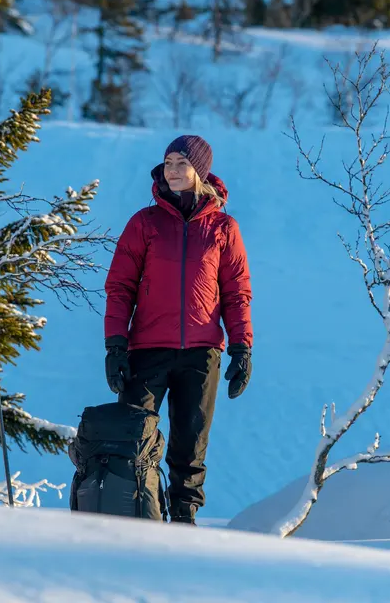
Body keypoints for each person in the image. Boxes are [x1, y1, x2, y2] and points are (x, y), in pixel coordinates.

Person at [103, 135, 253, 525]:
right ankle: (136, 511)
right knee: (134, 434)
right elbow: (120, 286)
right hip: (147, 349)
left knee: (190, 443)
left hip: (202, 352)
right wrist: (115, 344)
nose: (171, 170)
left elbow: (237, 292)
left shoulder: (223, 228)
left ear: (199, 172)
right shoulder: (144, 223)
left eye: (180, 163)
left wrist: (241, 347)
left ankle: (183, 519)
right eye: (167, 162)